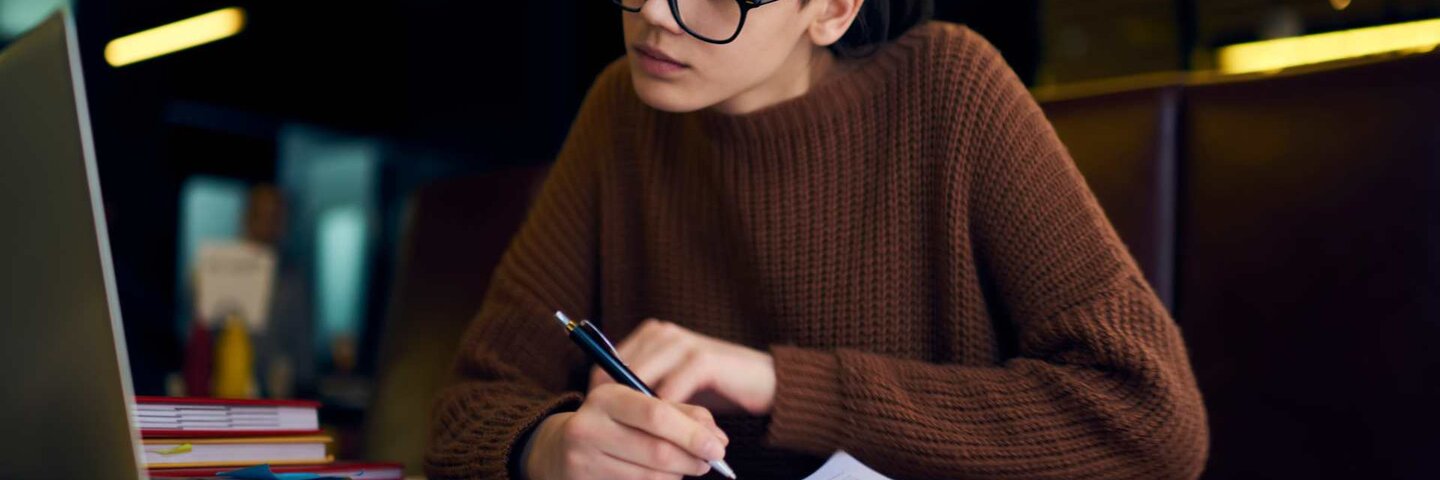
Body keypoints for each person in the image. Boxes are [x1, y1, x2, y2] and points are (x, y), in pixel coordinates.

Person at [426, 0, 1208, 478]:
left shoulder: (951, 89)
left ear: (831, 8)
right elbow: (467, 410)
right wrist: (546, 449)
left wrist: (778, 384)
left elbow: (1152, 421)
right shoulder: (620, 112)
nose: (657, 14)